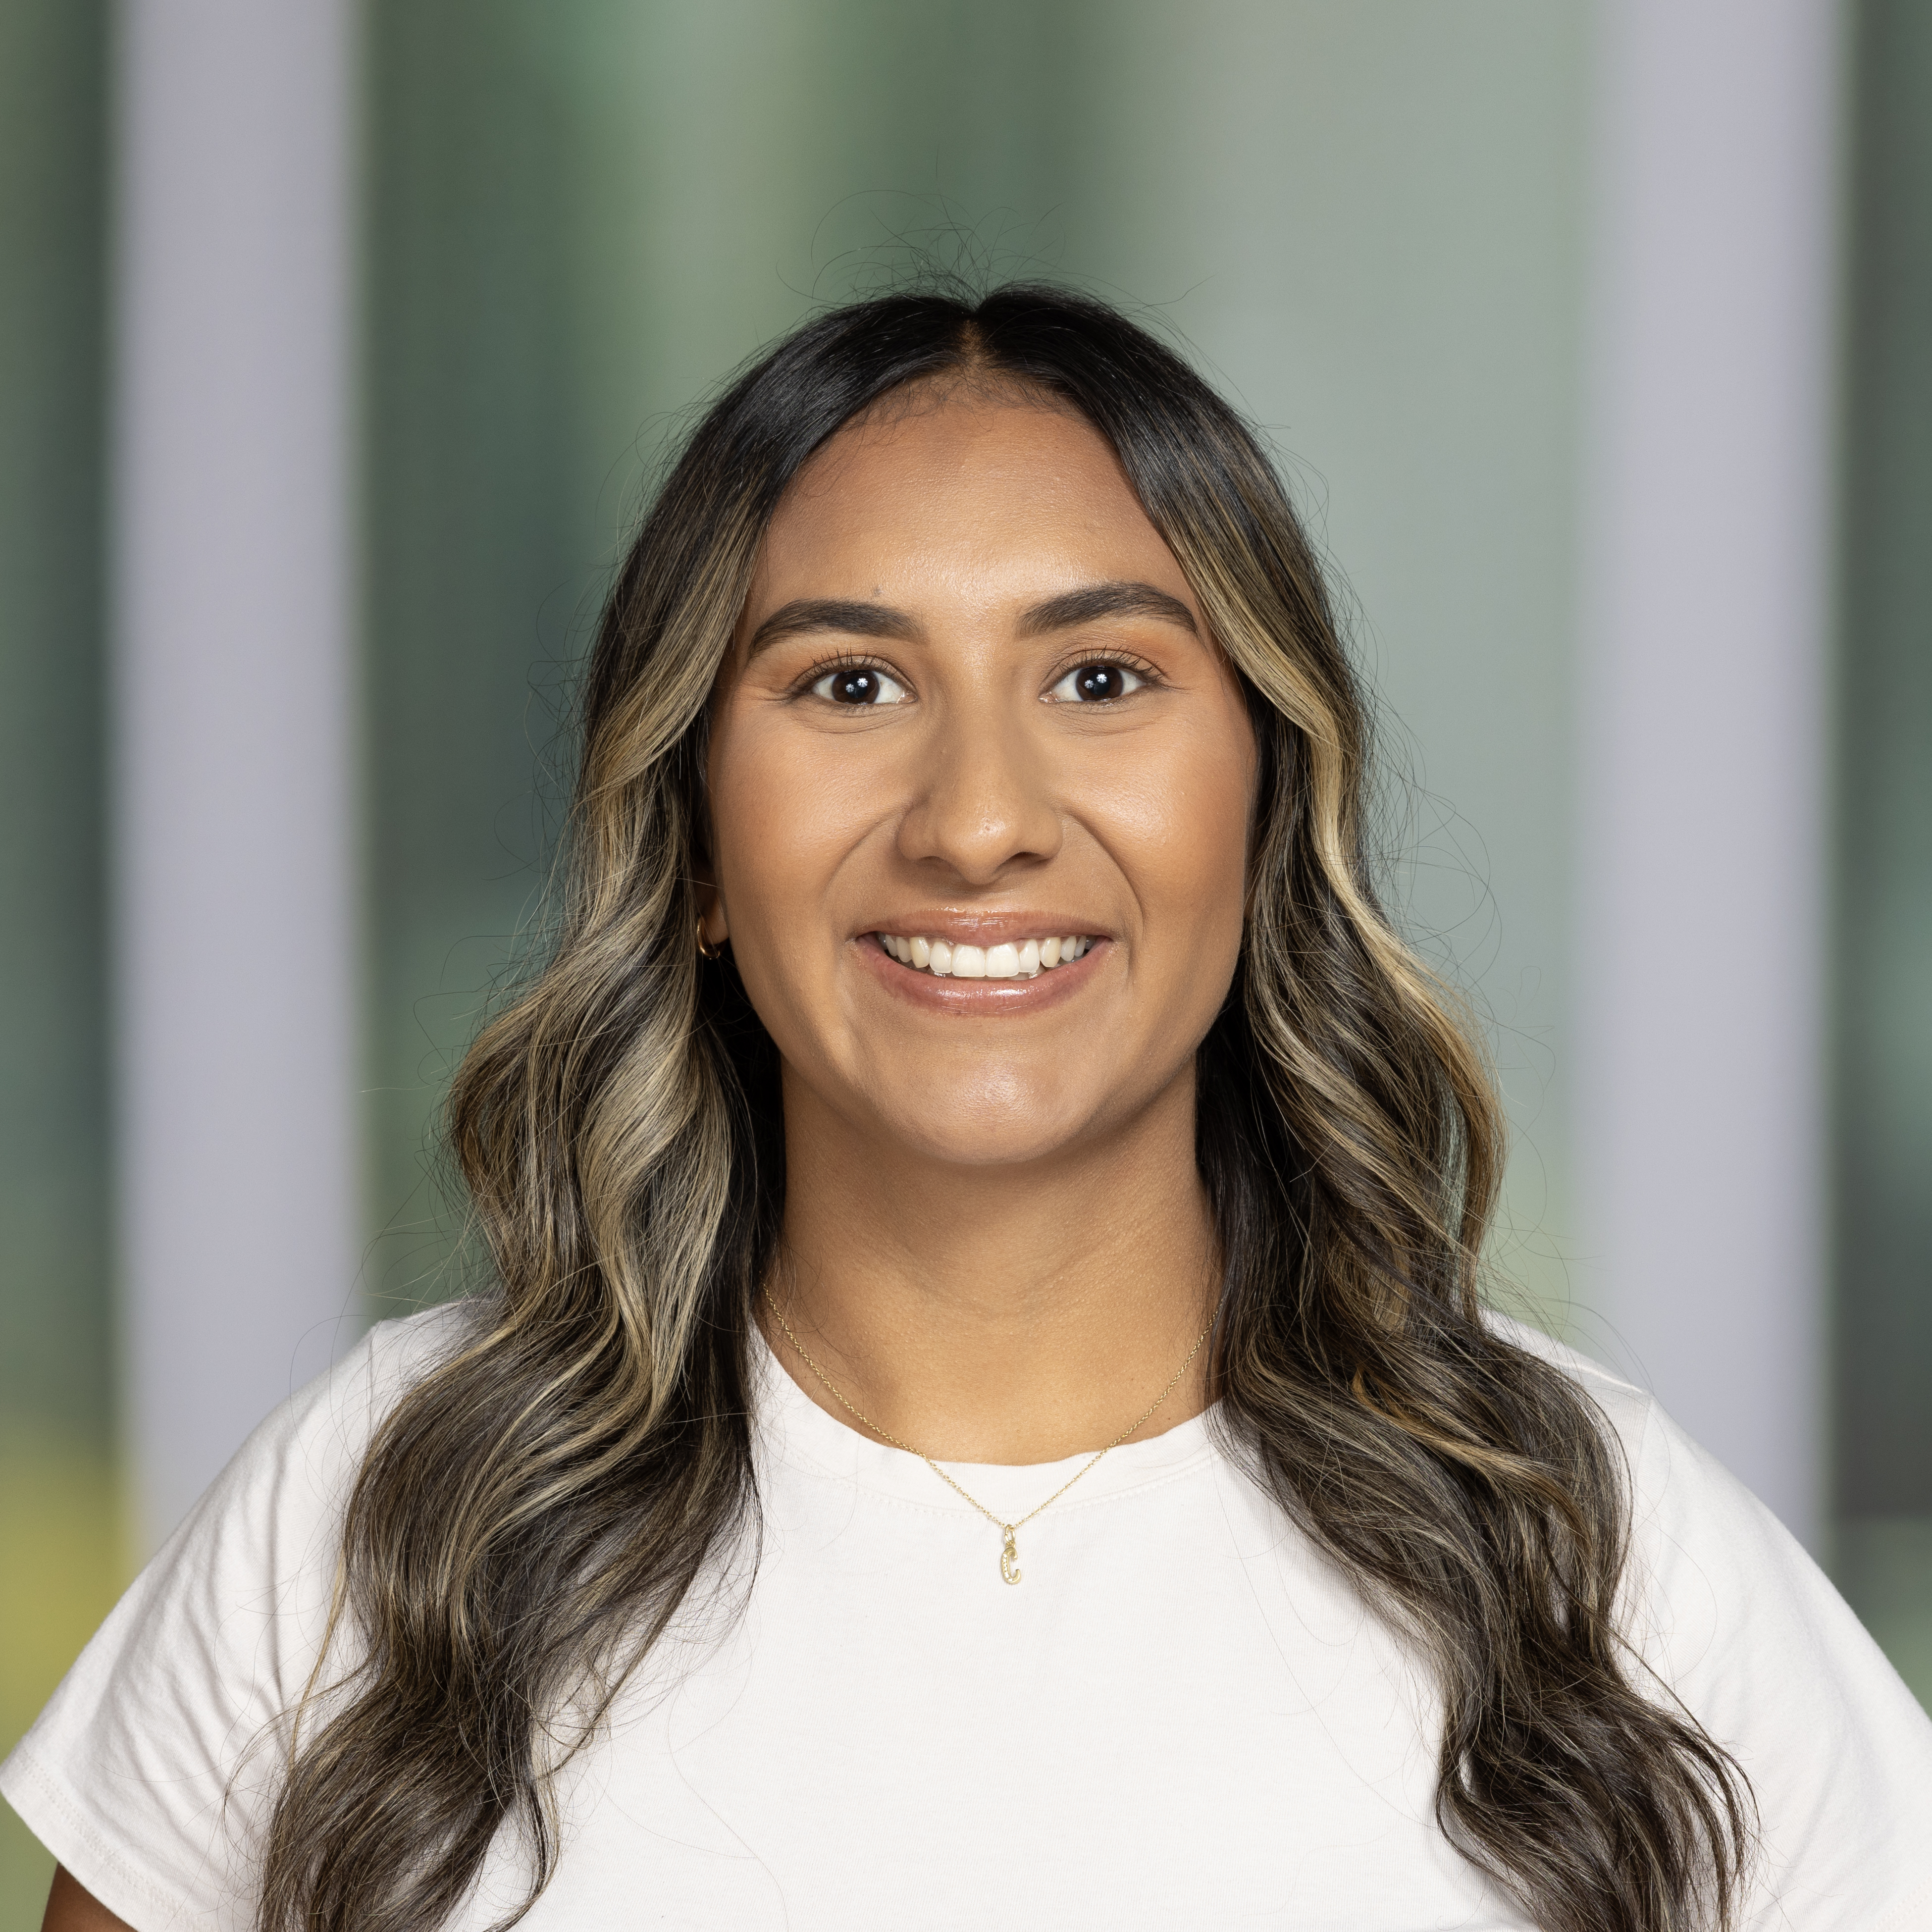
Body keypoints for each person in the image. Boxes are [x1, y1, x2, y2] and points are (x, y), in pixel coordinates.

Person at [7, 285, 1931, 1932]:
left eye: (1100, 675)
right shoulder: (374, 1529)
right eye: (850, 684)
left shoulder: (1594, 1552)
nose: (979, 819)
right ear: (689, 838)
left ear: (1260, 813)